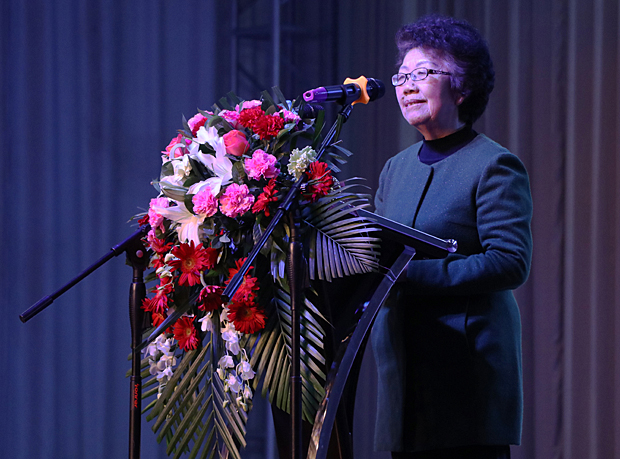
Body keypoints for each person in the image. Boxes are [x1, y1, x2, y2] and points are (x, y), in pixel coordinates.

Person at [371, 15, 533, 459]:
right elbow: (378, 252)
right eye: (402, 75)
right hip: (403, 375)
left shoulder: (494, 165)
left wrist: (410, 276)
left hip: (465, 374)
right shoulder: (395, 168)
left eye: (422, 73)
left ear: (461, 88)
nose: (406, 86)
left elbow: (509, 262)